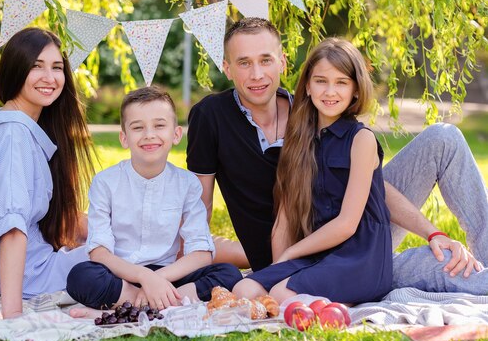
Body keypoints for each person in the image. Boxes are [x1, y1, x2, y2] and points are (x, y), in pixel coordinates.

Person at [187, 17, 487, 294]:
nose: (257, 74)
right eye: (244, 63)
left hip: (356, 232)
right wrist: (181, 268)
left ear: (282, 62)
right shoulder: (211, 116)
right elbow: (200, 207)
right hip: (303, 256)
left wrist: (432, 232)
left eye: (265, 60)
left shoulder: (309, 111)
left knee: (442, 138)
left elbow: (371, 186)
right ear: (227, 68)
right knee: (435, 268)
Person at [233, 38, 392, 304]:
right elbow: (284, 218)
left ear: (355, 89)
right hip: (318, 253)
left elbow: (346, 225)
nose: (330, 91)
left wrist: (291, 254)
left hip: (361, 256)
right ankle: (318, 298)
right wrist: (277, 266)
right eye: (321, 81)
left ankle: (339, 305)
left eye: (341, 82)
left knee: (282, 293)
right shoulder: (298, 140)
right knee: (245, 290)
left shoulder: (361, 139)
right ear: (307, 86)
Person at [66, 87, 242, 311]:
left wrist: (158, 279)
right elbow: (99, 252)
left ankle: (148, 301)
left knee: (229, 274)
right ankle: (161, 301)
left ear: (176, 134)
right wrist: (145, 279)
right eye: (138, 127)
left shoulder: (187, 184)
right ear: (124, 137)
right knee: (81, 276)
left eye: (159, 125)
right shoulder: (105, 182)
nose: (149, 134)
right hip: (122, 275)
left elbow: (201, 253)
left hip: (169, 274)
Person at [0, 27, 95, 319]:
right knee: (138, 247)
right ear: (15, 70)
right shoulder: (12, 136)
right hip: (32, 279)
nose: (50, 78)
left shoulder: (6, 126)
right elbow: (11, 229)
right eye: (37, 67)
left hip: (26, 269)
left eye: (57, 67)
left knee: (129, 235)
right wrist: (13, 317)